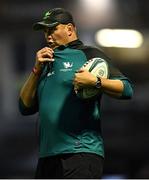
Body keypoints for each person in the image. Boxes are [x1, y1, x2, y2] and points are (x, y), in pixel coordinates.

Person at [19, 7, 133, 179]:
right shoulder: (45, 62)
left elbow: (127, 89)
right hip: (47, 157)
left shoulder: (88, 54)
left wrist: (96, 81)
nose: (47, 35)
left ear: (70, 29)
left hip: (80, 152)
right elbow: (24, 107)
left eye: (52, 29)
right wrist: (36, 70)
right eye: (45, 31)